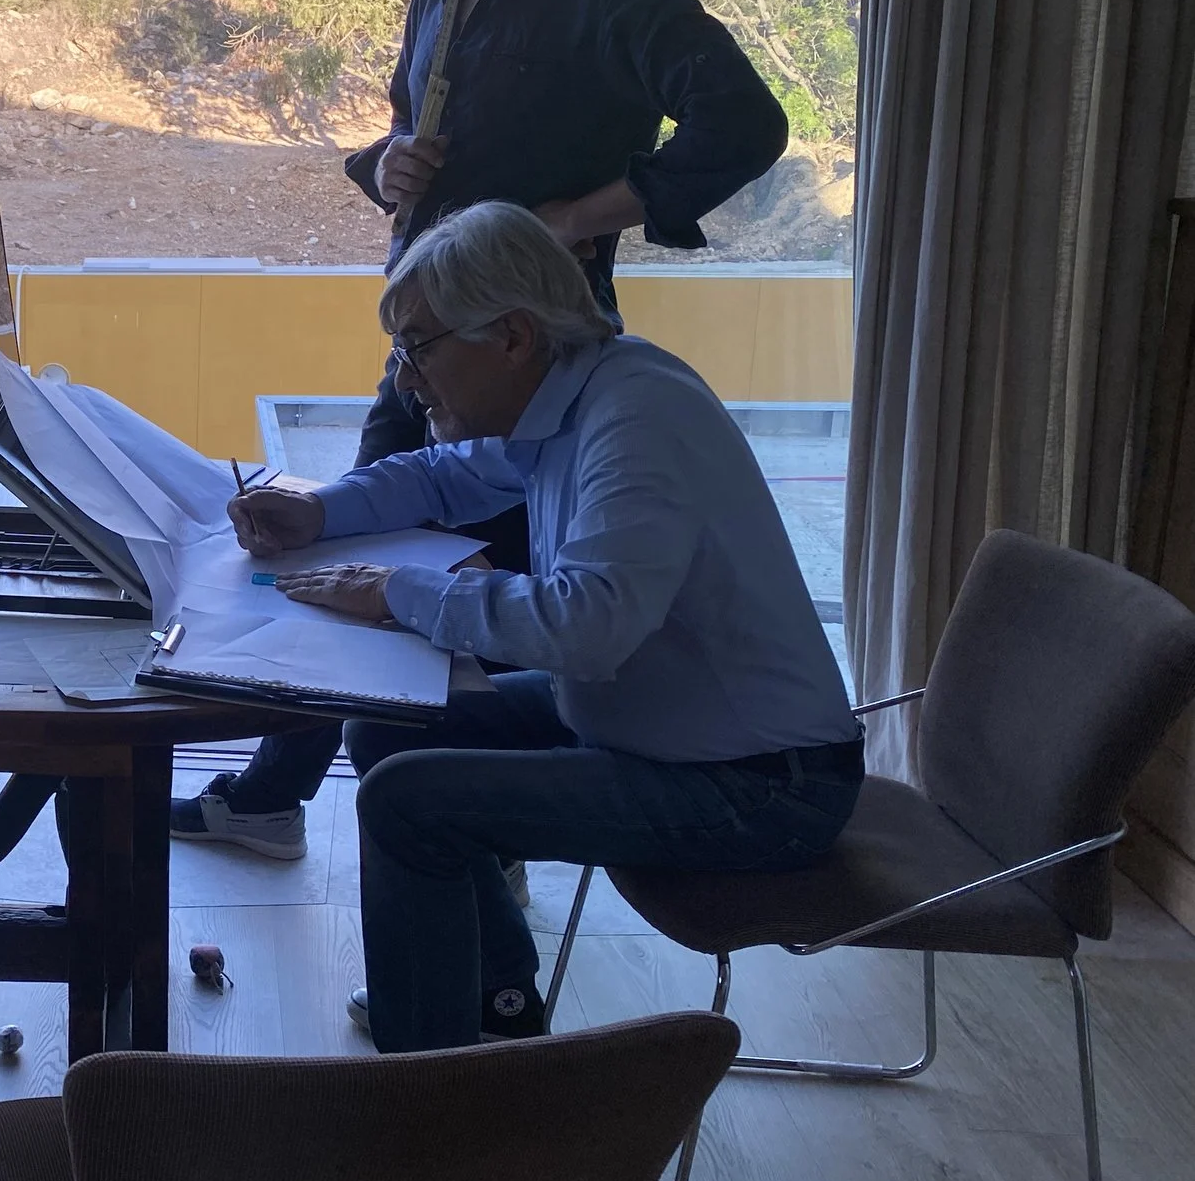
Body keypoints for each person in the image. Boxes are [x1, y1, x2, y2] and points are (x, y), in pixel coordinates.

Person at [175, 0, 791, 860]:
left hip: (522, 353)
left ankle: (468, 856)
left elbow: (746, 126)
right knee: (342, 536)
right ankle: (285, 794)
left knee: (494, 608)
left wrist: (576, 217)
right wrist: (387, 161)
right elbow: (426, 132)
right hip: (431, 332)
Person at [229, 201, 859, 1051]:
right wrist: (318, 512)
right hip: (644, 723)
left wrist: (395, 590)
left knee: (407, 803)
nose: (407, 379)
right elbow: (441, 477)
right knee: (385, 723)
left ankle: (429, 1100)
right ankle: (491, 1005)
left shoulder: (636, 418)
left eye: (420, 347)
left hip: (760, 784)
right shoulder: (575, 392)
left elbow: (588, 629)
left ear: (513, 335)